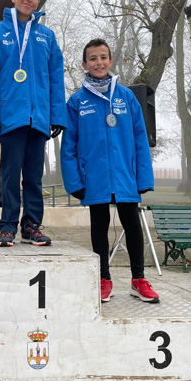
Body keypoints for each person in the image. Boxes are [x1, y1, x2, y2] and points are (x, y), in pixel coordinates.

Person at [60, 39, 159, 304]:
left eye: (103, 57)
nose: (99, 62)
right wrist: (74, 182)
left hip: (125, 175)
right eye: (93, 58)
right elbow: (68, 145)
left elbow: (140, 140)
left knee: (133, 225)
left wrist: (143, 177)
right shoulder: (77, 101)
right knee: (99, 226)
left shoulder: (126, 97)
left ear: (111, 61)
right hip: (94, 177)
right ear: (84, 64)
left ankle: (138, 280)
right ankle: (103, 279)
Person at [0, 0, 67, 247]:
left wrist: (57, 116)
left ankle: (31, 226)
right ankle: (7, 227)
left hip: (39, 118)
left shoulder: (46, 36)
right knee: (9, 175)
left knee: (33, 177)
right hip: (11, 117)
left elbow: (55, 78)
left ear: (39, 1)